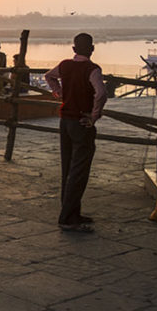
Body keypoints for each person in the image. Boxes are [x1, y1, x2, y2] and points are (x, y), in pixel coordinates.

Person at [44, 33, 107, 233]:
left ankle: (72, 211)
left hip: (65, 121)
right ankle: (67, 218)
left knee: (68, 167)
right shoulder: (93, 69)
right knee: (79, 171)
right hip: (81, 122)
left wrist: (60, 93)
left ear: (73, 49)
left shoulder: (65, 65)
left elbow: (49, 76)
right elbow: (101, 93)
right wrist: (94, 116)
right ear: (92, 49)